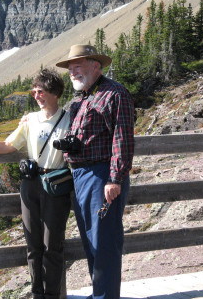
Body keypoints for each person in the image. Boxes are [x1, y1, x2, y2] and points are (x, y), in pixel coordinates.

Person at [0, 69, 71, 299]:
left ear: (55, 93)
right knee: (33, 244)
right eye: (35, 91)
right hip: (31, 184)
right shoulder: (30, 119)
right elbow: (8, 146)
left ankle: (53, 295)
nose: (37, 95)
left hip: (57, 184)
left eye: (42, 91)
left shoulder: (70, 117)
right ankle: (38, 293)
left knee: (52, 245)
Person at [55, 44, 135, 299]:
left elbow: (122, 139)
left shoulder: (115, 94)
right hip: (80, 178)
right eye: (70, 67)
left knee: (105, 244)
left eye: (78, 65)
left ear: (96, 66)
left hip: (102, 176)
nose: (73, 72)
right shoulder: (80, 99)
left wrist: (115, 178)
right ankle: (100, 293)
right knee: (91, 241)